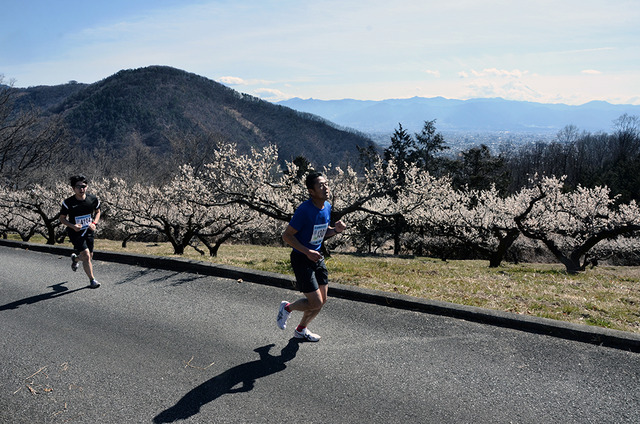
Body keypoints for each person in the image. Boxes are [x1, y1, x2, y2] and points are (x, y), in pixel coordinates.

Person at [277, 172, 346, 341]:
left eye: (326, 184)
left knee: (322, 301)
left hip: (317, 257)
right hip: (302, 259)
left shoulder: (327, 207)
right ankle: (287, 308)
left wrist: (336, 230)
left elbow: (322, 233)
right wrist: (307, 251)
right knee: (315, 302)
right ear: (311, 191)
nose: (326, 188)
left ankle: (301, 330)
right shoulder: (304, 210)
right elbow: (287, 236)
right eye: (321, 185)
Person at [59, 175, 102, 288]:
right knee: (87, 255)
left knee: (89, 256)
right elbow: (62, 218)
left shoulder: (92, 199)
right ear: (73, 188)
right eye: (78, 186)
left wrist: (94, 223)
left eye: (83, 186)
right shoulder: (68, 202)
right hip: (75, 232)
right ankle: (92, 280)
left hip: (88, 231)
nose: (81, 189)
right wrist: (72, 226)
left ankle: (75, 259)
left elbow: (98, 211)